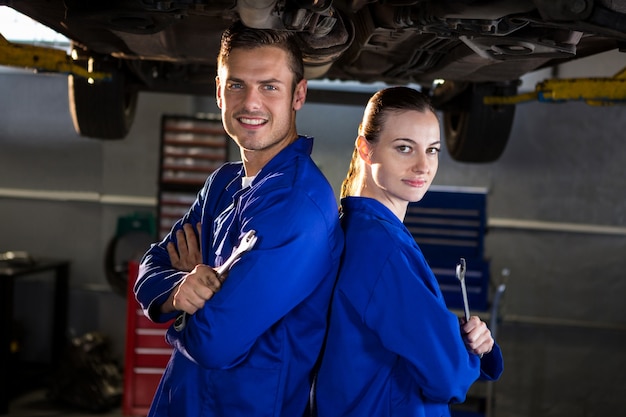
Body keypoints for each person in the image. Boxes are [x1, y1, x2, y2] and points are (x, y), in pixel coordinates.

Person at [134, 21, 344, 417]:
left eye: (269, 86)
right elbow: (150, 268)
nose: (251, 103)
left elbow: (215, 341)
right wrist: (181, 289)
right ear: (218, 91)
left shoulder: (296, 205)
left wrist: (183, 313)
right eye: (237, 85)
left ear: (298, 94)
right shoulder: (224, 183)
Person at [313, 86, 503, 417]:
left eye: (432, 150)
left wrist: (461, 339)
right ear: (365, 150)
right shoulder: (382, 249)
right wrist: (467, 352)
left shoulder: (356, 229)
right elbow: (449, 377)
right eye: (404, 148)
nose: (422, 166)